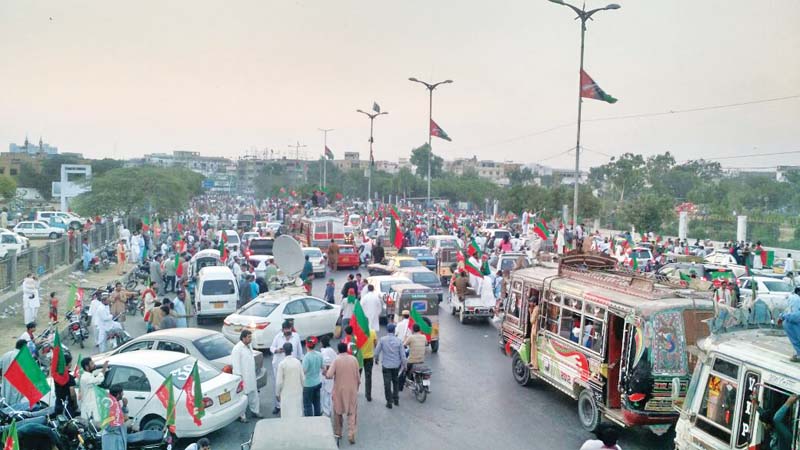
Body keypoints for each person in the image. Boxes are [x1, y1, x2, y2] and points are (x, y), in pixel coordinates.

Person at [326, 342, 360, 444]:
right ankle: (351, 433)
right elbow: (358, 377)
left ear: (338, 350)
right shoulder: (354, 359)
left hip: (339, 390)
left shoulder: (336, 360)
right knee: (352, 412)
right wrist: (356, 387)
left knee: (338, 412)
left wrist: (325, 372)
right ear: (346, 349)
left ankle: (338, 432)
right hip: (352, 390)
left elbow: (329, 375)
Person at [269, 320, 304, 415]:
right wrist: (277, 350)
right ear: (283, 329)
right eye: (286, 329)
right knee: (279, 384)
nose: (287, 330)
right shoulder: (278, 337)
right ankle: (278, 405)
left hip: (293, 364)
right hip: (279, 364)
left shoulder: (296, 336)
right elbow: (271, 348)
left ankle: (291, 405)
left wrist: (301, 361)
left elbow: (300, 350)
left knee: (291, 385)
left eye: (289, 328)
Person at [375, 322, 406, 408]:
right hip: (396, 366)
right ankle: (396, 400)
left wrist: (376, 359)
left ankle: (389, 402)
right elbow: (403, 355)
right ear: (394, 330)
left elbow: (377, 352)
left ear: (387, 330)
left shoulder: (382, 340)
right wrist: (405, 365)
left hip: (386, 366)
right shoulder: (399, 341)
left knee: (387, 383)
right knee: (395, 382)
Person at [232, 330, 260, 422]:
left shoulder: (249, 346)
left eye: (250, 336)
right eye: (249, 337)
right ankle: (242, 416)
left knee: (254, 394)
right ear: (243, 338)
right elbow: (236, 365)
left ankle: (255, 411)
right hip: (243, 377)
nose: (250, 338)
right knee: (242, 397)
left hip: (251, 375)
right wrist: (239, 379)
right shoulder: (237, 349)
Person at [276, 342, 304, 418]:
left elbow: (279, 382)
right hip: (297, 391)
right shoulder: (297, 362)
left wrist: (277, 394)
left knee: (287, 414)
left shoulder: (282, 364)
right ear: (292, 350)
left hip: (286, 393)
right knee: (297, 412)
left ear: (284, 351)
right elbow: (302, 378)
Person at [79, 357, 109, 424]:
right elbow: (99, 380)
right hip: (89, 407)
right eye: (92, 364)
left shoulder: (89, 375)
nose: (94, 365)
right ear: (87, 367)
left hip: (92, 406)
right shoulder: (85, 378)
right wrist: (104, 368)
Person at [101, 384, 128, 450]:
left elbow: (121, 415)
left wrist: (124, 406)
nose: (123, 394)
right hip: (111, 437)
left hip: (118, 436)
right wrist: (121, 420)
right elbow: (109, 426)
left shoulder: (116, 402)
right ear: (118, 394)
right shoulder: (110, 405)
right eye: (122, 393)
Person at [0, 340, 27, 407]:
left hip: (5, 383)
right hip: (17, 385)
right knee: (14, 403)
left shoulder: (6, 354)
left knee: (5, 398)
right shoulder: (22, 357)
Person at [401, 324, 427, 390]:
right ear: (419, 330)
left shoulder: (411, 337)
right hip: (421, 360)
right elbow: (426, 343)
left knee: (404, 370)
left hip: (412, 361)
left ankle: (402, 384)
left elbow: (404, 345)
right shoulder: (424, 336)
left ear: (412, 330)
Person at [302, 337, 323, 417]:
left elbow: (303, 371)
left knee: (307, 405)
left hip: (308, 384)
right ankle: (318, 418)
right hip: (317, 382)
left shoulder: (306, 357)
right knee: (317, 402)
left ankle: (310, 422)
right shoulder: (319, 354)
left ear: (306, 345)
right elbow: (323, 367)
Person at [320, 335, 336, 417]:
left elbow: (327, 362)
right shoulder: (332, 350)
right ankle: (329, 410)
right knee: (329, 392)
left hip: (327, 376)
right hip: (332, 375)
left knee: (326, 393)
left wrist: (326, 372)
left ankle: (326, 411)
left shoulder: (325, 352)